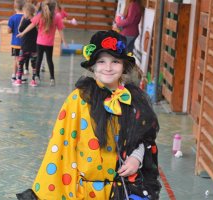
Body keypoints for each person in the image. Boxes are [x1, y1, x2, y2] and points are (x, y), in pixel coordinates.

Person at [16, 30, 161, 200]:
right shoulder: (78, 99)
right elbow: (61, 146)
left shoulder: (132, 100)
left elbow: (144, 137)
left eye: (115, 61)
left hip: (122, 189)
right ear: (93, 66)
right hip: (84, 191)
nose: (108, 67)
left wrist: (136, 157)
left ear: (123, 66)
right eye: (101, 61)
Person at [17, 0, 67, 87]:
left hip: (40, 42)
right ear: (54, 8)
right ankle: (52, 78)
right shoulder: (57, 17)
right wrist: (64, 41)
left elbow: (31, 25)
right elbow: (60, 30)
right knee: (49, 60)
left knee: (39, 59)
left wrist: (23, 33)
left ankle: (37, 76)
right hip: (49, 43)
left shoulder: (40, 16)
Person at [13, 3, 38, 86]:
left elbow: (20, 29)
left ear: (27, 11)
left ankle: (19, 80)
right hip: (34, 46)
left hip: (25, 46)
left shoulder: (26, 21)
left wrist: (22, 19)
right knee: (34, 64)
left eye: (24, 12)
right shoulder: (36, 20)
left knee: (21, 63)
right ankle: (33, 81)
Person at [8, 0, 25, 82]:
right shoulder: (26, 17)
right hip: (25, 43)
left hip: (15, 43)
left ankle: (15, 75)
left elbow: (9, 30)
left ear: (15, 7)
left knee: (16, 59)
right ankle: (19, 75)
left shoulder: (12, 18)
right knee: (22, 60)